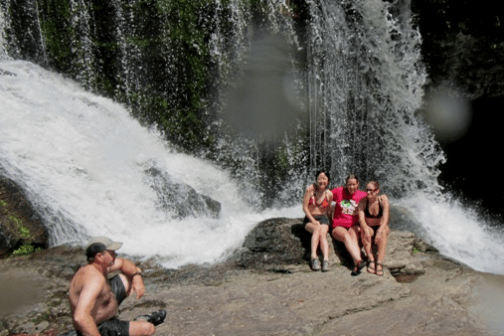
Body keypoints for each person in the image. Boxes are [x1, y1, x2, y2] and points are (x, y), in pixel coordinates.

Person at [68, 236, 166, 336]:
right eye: (112, 252)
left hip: (102, 311)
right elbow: (80, 317)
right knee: (148, 329)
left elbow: (123, 263)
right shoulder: (94, 279)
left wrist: (137, 277)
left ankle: (136, 323)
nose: (116, 254)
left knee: (132, 274)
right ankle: (140, 321)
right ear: (99, 256)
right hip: (99, 326)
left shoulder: (99, 267)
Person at [330, 174, 367, 276]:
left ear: (358, 184)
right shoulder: (338, 191)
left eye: (354, 184)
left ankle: (356, 265)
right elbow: (326, 198)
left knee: (353, 237)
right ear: (345, 184)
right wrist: (322, 209)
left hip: (353, 225)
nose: (351, 187)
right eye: (349, 184)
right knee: (346, 236)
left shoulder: (362, 195)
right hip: (338, 226)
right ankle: (359, 260)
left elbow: (371, 206)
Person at [302, 170, 333, 272]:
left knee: (322, 234)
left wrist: (331, 221)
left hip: (323, 218)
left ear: (328, 181)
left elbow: (328, 208)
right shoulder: (310, 191)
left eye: (324, 179)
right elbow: (305, 207)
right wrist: (312, 220)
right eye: (319, 178)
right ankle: (314, 257)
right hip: (310, 218)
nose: (322, 181)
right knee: (316, 230)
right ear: (316, 180)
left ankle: (325, 260)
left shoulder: (329, 194)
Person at [358, 181, 390, 276]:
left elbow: (385, 219)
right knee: (364, 231)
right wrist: (366, 229)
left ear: (377, 191)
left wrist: (379, 231)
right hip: (369, 227)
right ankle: (371, 259)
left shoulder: (383, 200)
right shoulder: (363, 201)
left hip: (381, 226)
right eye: (367, 190)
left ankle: (379, 263)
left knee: (383, 232)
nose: (368, 193)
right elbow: (361, 220)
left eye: (371, 190)